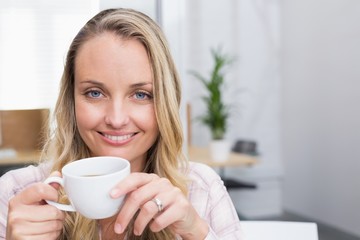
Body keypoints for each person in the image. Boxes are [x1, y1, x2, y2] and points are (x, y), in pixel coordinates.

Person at [0, 8, 244, 240]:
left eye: (141, 95)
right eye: (95, 93)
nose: (116, 119)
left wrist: (196, 230)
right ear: (70, 101)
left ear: (165, 103)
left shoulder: (201, 190)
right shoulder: (16, 193)